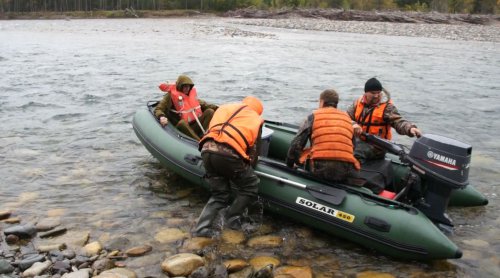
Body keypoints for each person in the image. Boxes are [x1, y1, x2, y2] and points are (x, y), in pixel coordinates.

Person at [192, 96, 264, 237]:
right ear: (258, 111)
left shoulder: (226, 107)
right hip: (228, 154)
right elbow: (254, 153)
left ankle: (201, 229)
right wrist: (248, 169)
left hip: (206, 150)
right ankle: (232, 218)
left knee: (219, 194)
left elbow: (211, 131)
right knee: (250, 185)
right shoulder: (255, 119)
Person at [286, 89, 360, 183]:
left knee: (305, 153)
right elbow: (352, 147)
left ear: (321, 102)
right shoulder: (347, 119)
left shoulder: (313, 116)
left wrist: (290, 165)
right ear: (336, 104)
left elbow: (296, 145)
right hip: (345, 171)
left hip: (319, 169)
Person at [346, 77, 422, 163]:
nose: (376, 96)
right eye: (373, 93)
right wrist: (353, 124)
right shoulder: (357, 103)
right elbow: (345, 117)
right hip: (358, 140)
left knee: (355, 153)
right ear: (365, 93)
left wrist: (410, 128)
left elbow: (398, 121)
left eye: (378, 93)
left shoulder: (387, 107)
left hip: (377, 147)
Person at [154, 75, 217, 141]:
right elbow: (159, 108)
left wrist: (219, 108)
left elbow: (205, 104)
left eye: (189, 86)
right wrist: (161, 117)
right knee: (182, 123)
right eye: (185, 86)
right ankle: (199, 141)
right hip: (182, 127)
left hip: (195, 124)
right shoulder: (170, 96)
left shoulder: (190, 95)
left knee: (210, 111)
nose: (187, 88)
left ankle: (203, 134)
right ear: (180, 86)